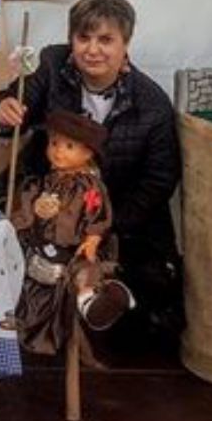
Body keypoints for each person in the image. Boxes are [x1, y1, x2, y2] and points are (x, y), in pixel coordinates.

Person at [0, 0, 184, 345]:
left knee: (142, 293)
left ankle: (90, 304)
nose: (92, 49)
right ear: (71, 39)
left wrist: (102, 226)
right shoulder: (50, 63)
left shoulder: (152, 104)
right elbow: (14, 105)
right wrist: (2, 109)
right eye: (83, 37)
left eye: (106, 40)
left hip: (116, 211)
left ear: (126, 44)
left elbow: (160, 180)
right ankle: (2, 329)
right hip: (40, 193)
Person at [11, 109, 135, 355]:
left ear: (88, 153)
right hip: (43, 246)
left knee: (83, 270)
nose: (58, 151)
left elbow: (97, 214)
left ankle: (92, 300)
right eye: (54, 143)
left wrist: (92, 238)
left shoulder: (88, 186)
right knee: (33, 284)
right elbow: (30, 207)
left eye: (69, 146)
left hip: (73, 247)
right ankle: (28, 329)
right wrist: (29, 208)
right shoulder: (49, 180)